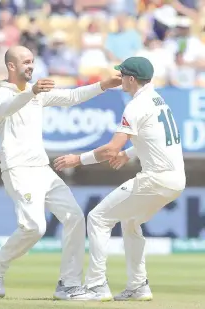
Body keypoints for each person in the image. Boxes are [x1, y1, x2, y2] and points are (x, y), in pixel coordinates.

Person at [0, 45, 122, 299]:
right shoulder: (0, 94)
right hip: (18, 170)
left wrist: (104, 84)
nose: (31, 65)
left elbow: (72, 97)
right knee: (34, 228)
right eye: (25, 62)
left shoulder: (39, 94)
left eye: (32, 61)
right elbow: (8, 108)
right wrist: (32, 91)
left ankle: (68, 284)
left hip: (42, 170)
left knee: (75, 218)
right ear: (11, 66)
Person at [54, 56, 185, 301]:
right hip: (176, 181)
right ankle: (138, 286)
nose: (120, 78)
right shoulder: (158, 100)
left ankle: (96, 286)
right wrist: (128, 154)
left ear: (132, 79)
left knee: (98, 217)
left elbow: (109, 150)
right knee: (130, 222)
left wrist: (77, 160)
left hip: (155, 179)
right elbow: (155, 139)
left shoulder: (135, 106)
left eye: (122, 75)